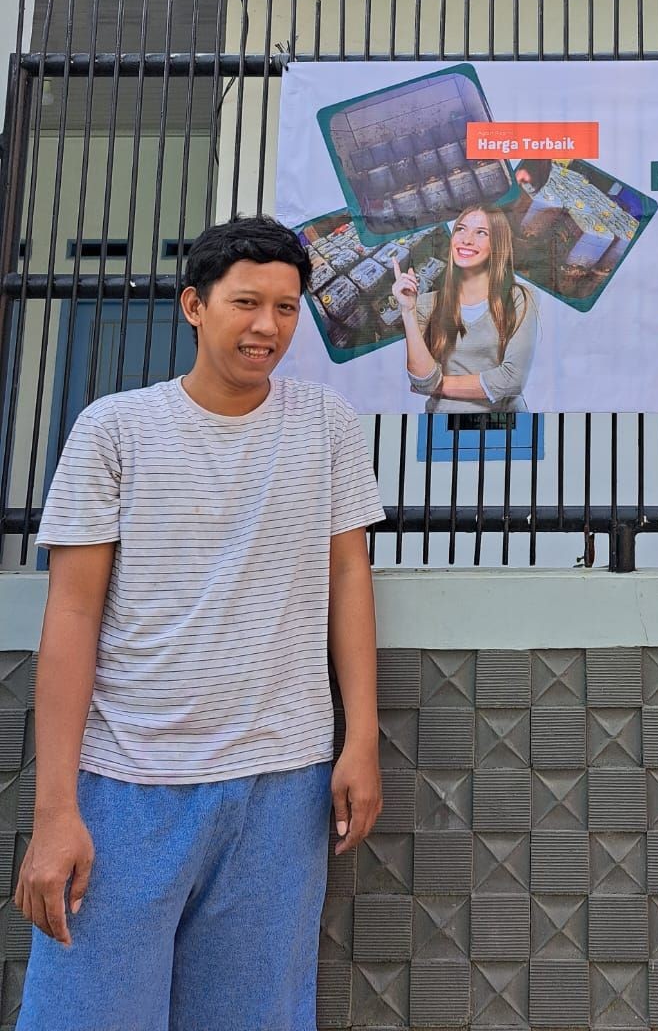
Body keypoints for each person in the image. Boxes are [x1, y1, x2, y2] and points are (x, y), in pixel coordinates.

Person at [16, 215, 385, 1031]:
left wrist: (361, 736)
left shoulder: (326, 426)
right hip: (127, 783)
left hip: (280, 785)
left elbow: (349, 572)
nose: (268, 327)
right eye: (246, 303)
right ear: (194, 304)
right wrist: (54, 812)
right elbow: (71, 613)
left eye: (287, 308)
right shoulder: (115, 429)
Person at [393, 206, 537, 412]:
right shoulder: (425, 304)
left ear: (498, 244)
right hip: (442, 428)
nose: (466, 239)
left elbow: (511, 381)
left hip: (507, 428)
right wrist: (407, 311)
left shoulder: (520, 298)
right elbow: (422, 380)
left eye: (481, 232)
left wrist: (438, 384)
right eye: (460, 229)